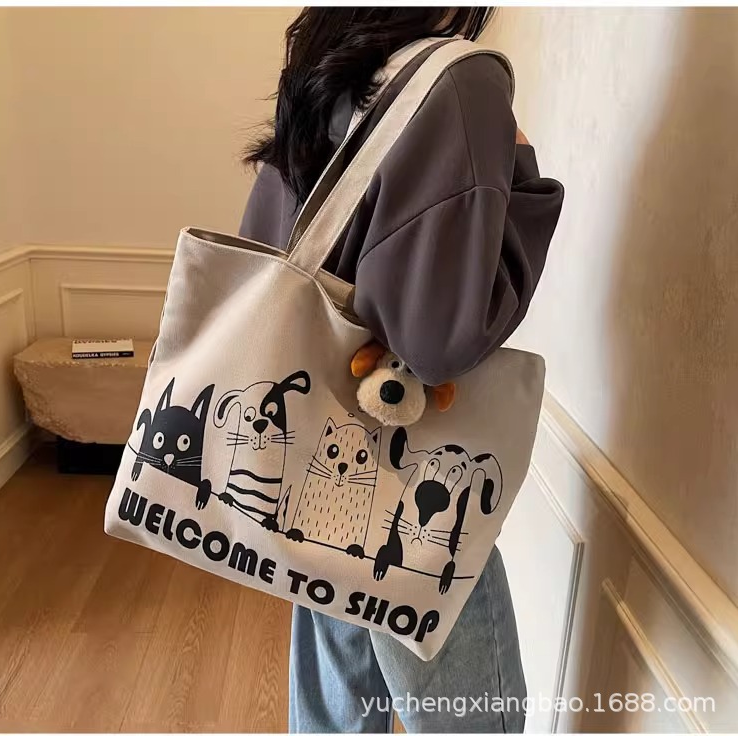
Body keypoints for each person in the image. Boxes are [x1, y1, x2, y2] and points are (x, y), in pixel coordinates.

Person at [240, 8, 564, 733]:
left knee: (335, 707)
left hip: (315, 459)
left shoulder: (327, 62)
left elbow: (266, 243)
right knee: (473, 720)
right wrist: (526, 181)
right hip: (410, 474)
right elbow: (435, 340)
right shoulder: (460, 79)